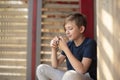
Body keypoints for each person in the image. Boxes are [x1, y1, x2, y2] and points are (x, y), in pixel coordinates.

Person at [36, 13, 97, 80]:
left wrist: (65, 48)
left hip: (85, 77)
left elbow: (82, 70)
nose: (67, 32)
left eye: (70, 29)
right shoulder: (69, 44)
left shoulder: (90, 43)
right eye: (66, 29)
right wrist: (54, 48)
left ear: (81, 29)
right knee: (41, 69)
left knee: (70, 75)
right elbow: (55, 65)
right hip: (69, 77)